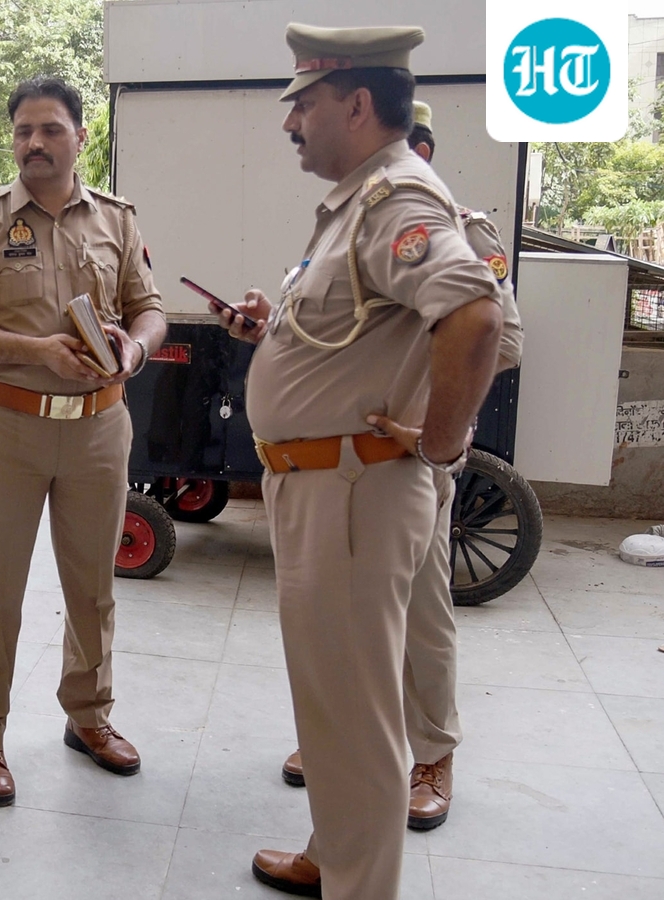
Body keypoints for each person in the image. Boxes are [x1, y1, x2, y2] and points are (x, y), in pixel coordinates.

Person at [209, 26, 503, 900]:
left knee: (359, 714)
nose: (291, 122)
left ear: (357, 104)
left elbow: (477, 318)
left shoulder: (396, 200)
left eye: (302, 103)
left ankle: (358, 883)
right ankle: (334, 853)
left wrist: (443, 445)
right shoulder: (355, 203)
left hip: (353, 490)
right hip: (326, 486)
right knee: (332, 704)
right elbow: (356, 336)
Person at [273, 101, 526, 841]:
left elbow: (498, 336)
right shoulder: (346, 223)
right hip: (340, 461)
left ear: (415, 148)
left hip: (404, 456)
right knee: (346, 626)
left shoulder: (449, 225)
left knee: (420, 613)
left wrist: (435, 427)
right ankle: (343, 751)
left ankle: (432, 757)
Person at [0, 76, 167, 807]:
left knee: (93, 588)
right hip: (10, 426)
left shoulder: (118, 220)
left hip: (100, 426)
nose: (34, 143)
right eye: (23, 132)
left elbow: (150, 308)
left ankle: (89, 717)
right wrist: (37, 351)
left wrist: (134, 351)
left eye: (50, 130)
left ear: (80, 136)